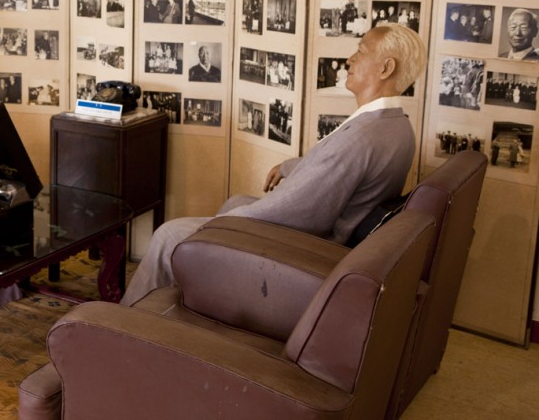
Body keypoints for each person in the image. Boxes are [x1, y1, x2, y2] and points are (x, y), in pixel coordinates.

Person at [121, 23, 427, 306]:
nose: (350, 60)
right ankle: (194, 299)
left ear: (386, 68)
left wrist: (216, 225)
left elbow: (298, 211)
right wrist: (289, 167)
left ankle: (121, 323)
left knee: (169, 235)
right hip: (332, 238)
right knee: (235, 202)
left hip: (307, 247)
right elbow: (334, 168)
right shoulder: (397, 127)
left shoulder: (361, 137)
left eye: (360, 52)